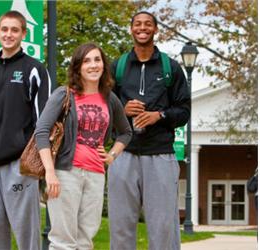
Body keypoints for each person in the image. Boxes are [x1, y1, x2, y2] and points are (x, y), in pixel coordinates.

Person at [35, 42, 132, 250]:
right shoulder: (64, 95)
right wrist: (50, 173)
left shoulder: (110, 99)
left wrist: (112, 155)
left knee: (85, 241)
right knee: (63, 241)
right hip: (65, 173)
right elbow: (41, 131)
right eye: (87, 60)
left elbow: (126, 132)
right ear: (78, 66)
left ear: (104, 65)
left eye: (97, 60)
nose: (93, 65)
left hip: (96, 175)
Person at [0, 10, 51, 250]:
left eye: (15, 30)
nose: (9, 34)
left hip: (19, 164)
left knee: (26, 236)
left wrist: (37, 162)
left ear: (24, 33)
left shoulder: (35, 69)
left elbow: (43, 122)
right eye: (4, 29)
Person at [108, 11, 191, 250]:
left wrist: (159, 116)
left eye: (147, 24)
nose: (142, 28)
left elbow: (184, 111)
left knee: (163, 226)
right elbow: (104, 110)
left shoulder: (171, 68)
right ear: (131, 29)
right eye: (137, 24)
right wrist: (123, 110)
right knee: (121, 225)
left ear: (155, 30)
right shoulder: (119, 67)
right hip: (124, 153)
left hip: (160, 155)